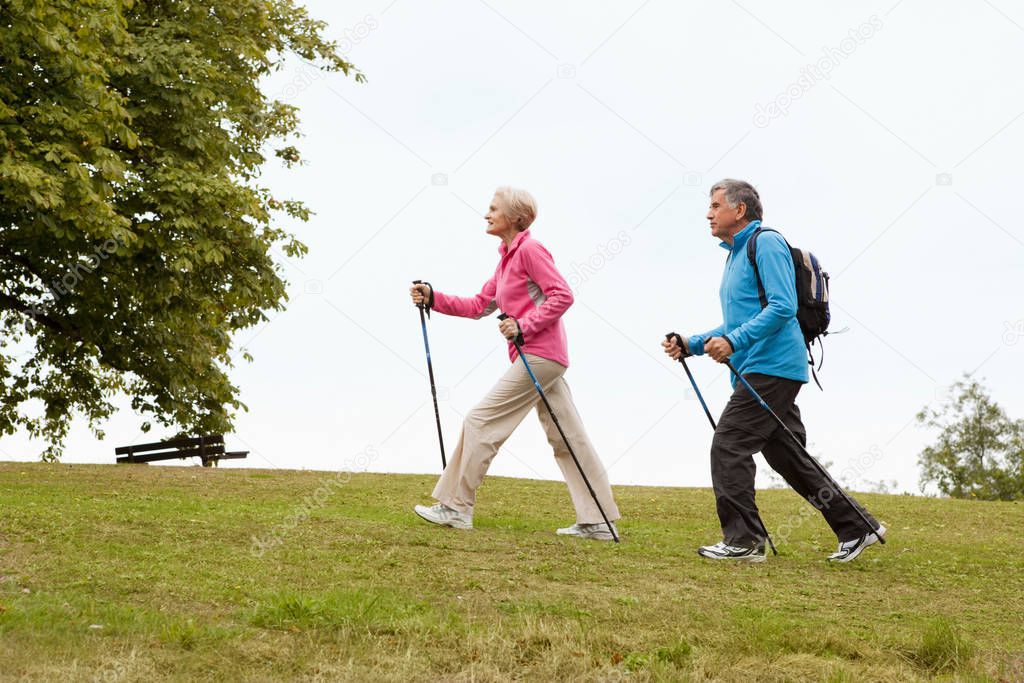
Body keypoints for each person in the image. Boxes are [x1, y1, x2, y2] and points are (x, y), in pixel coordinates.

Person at [662, 179, 885, 563]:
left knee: (729, 445)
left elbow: (782, 307)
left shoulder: (765, 243)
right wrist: (692, 342)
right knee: (788, 457)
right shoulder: (734, 254)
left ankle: (744, 542)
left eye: (716, 205)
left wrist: (733, 343)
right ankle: (857, 526)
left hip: (774, 365)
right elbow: (739, 320)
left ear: (740, 210)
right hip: (758, 366)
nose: (709, 213)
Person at [410, 186, 621, 541]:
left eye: (494, 208)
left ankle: (457, 507)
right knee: (567, 436)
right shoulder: (506, 258)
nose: (487, 213)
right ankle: (599, 520)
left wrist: (524, 325)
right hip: (542, 357)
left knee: (481, 420)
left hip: (539, 355)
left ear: (514, 217)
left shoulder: (531, 250)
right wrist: (435, 298)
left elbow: (562, 295)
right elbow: (479, 305)